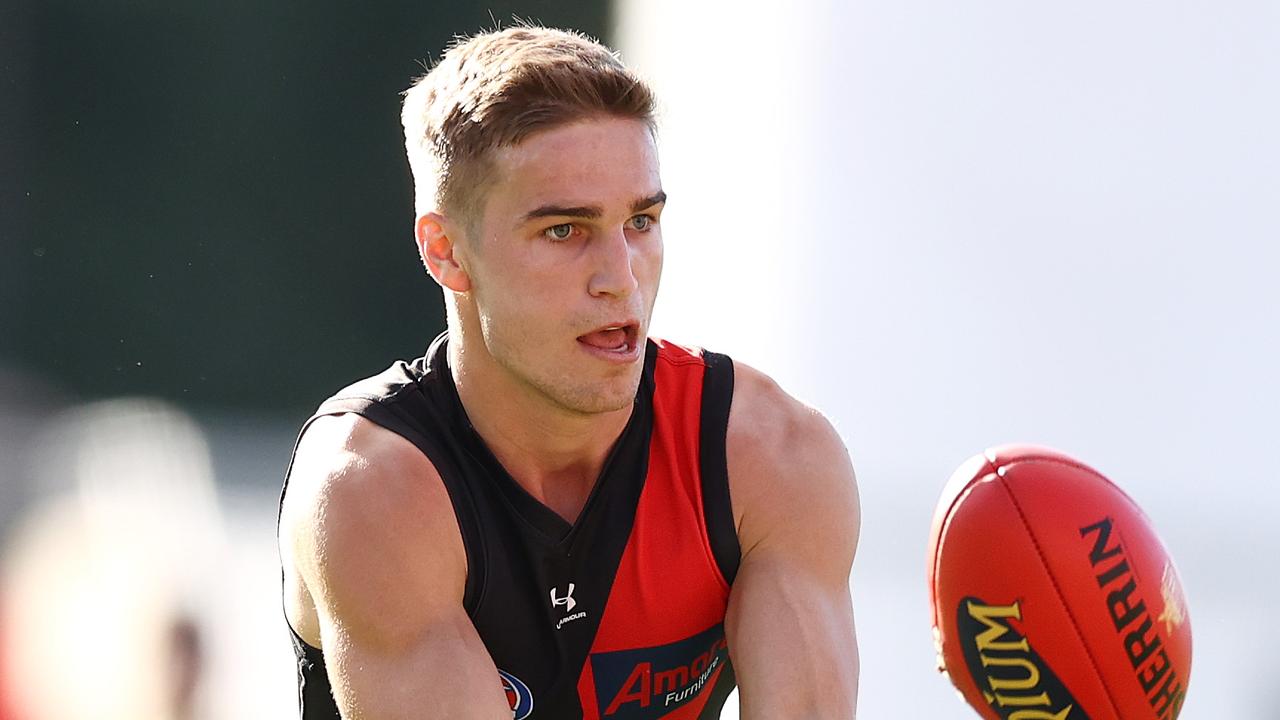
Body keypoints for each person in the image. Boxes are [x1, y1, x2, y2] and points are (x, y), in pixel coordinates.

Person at [277, 25, 860, 720]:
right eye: (565, 231)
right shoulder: (374, 491)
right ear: (446, 252)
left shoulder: (772, 457)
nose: (621, 279)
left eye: (640, 222)